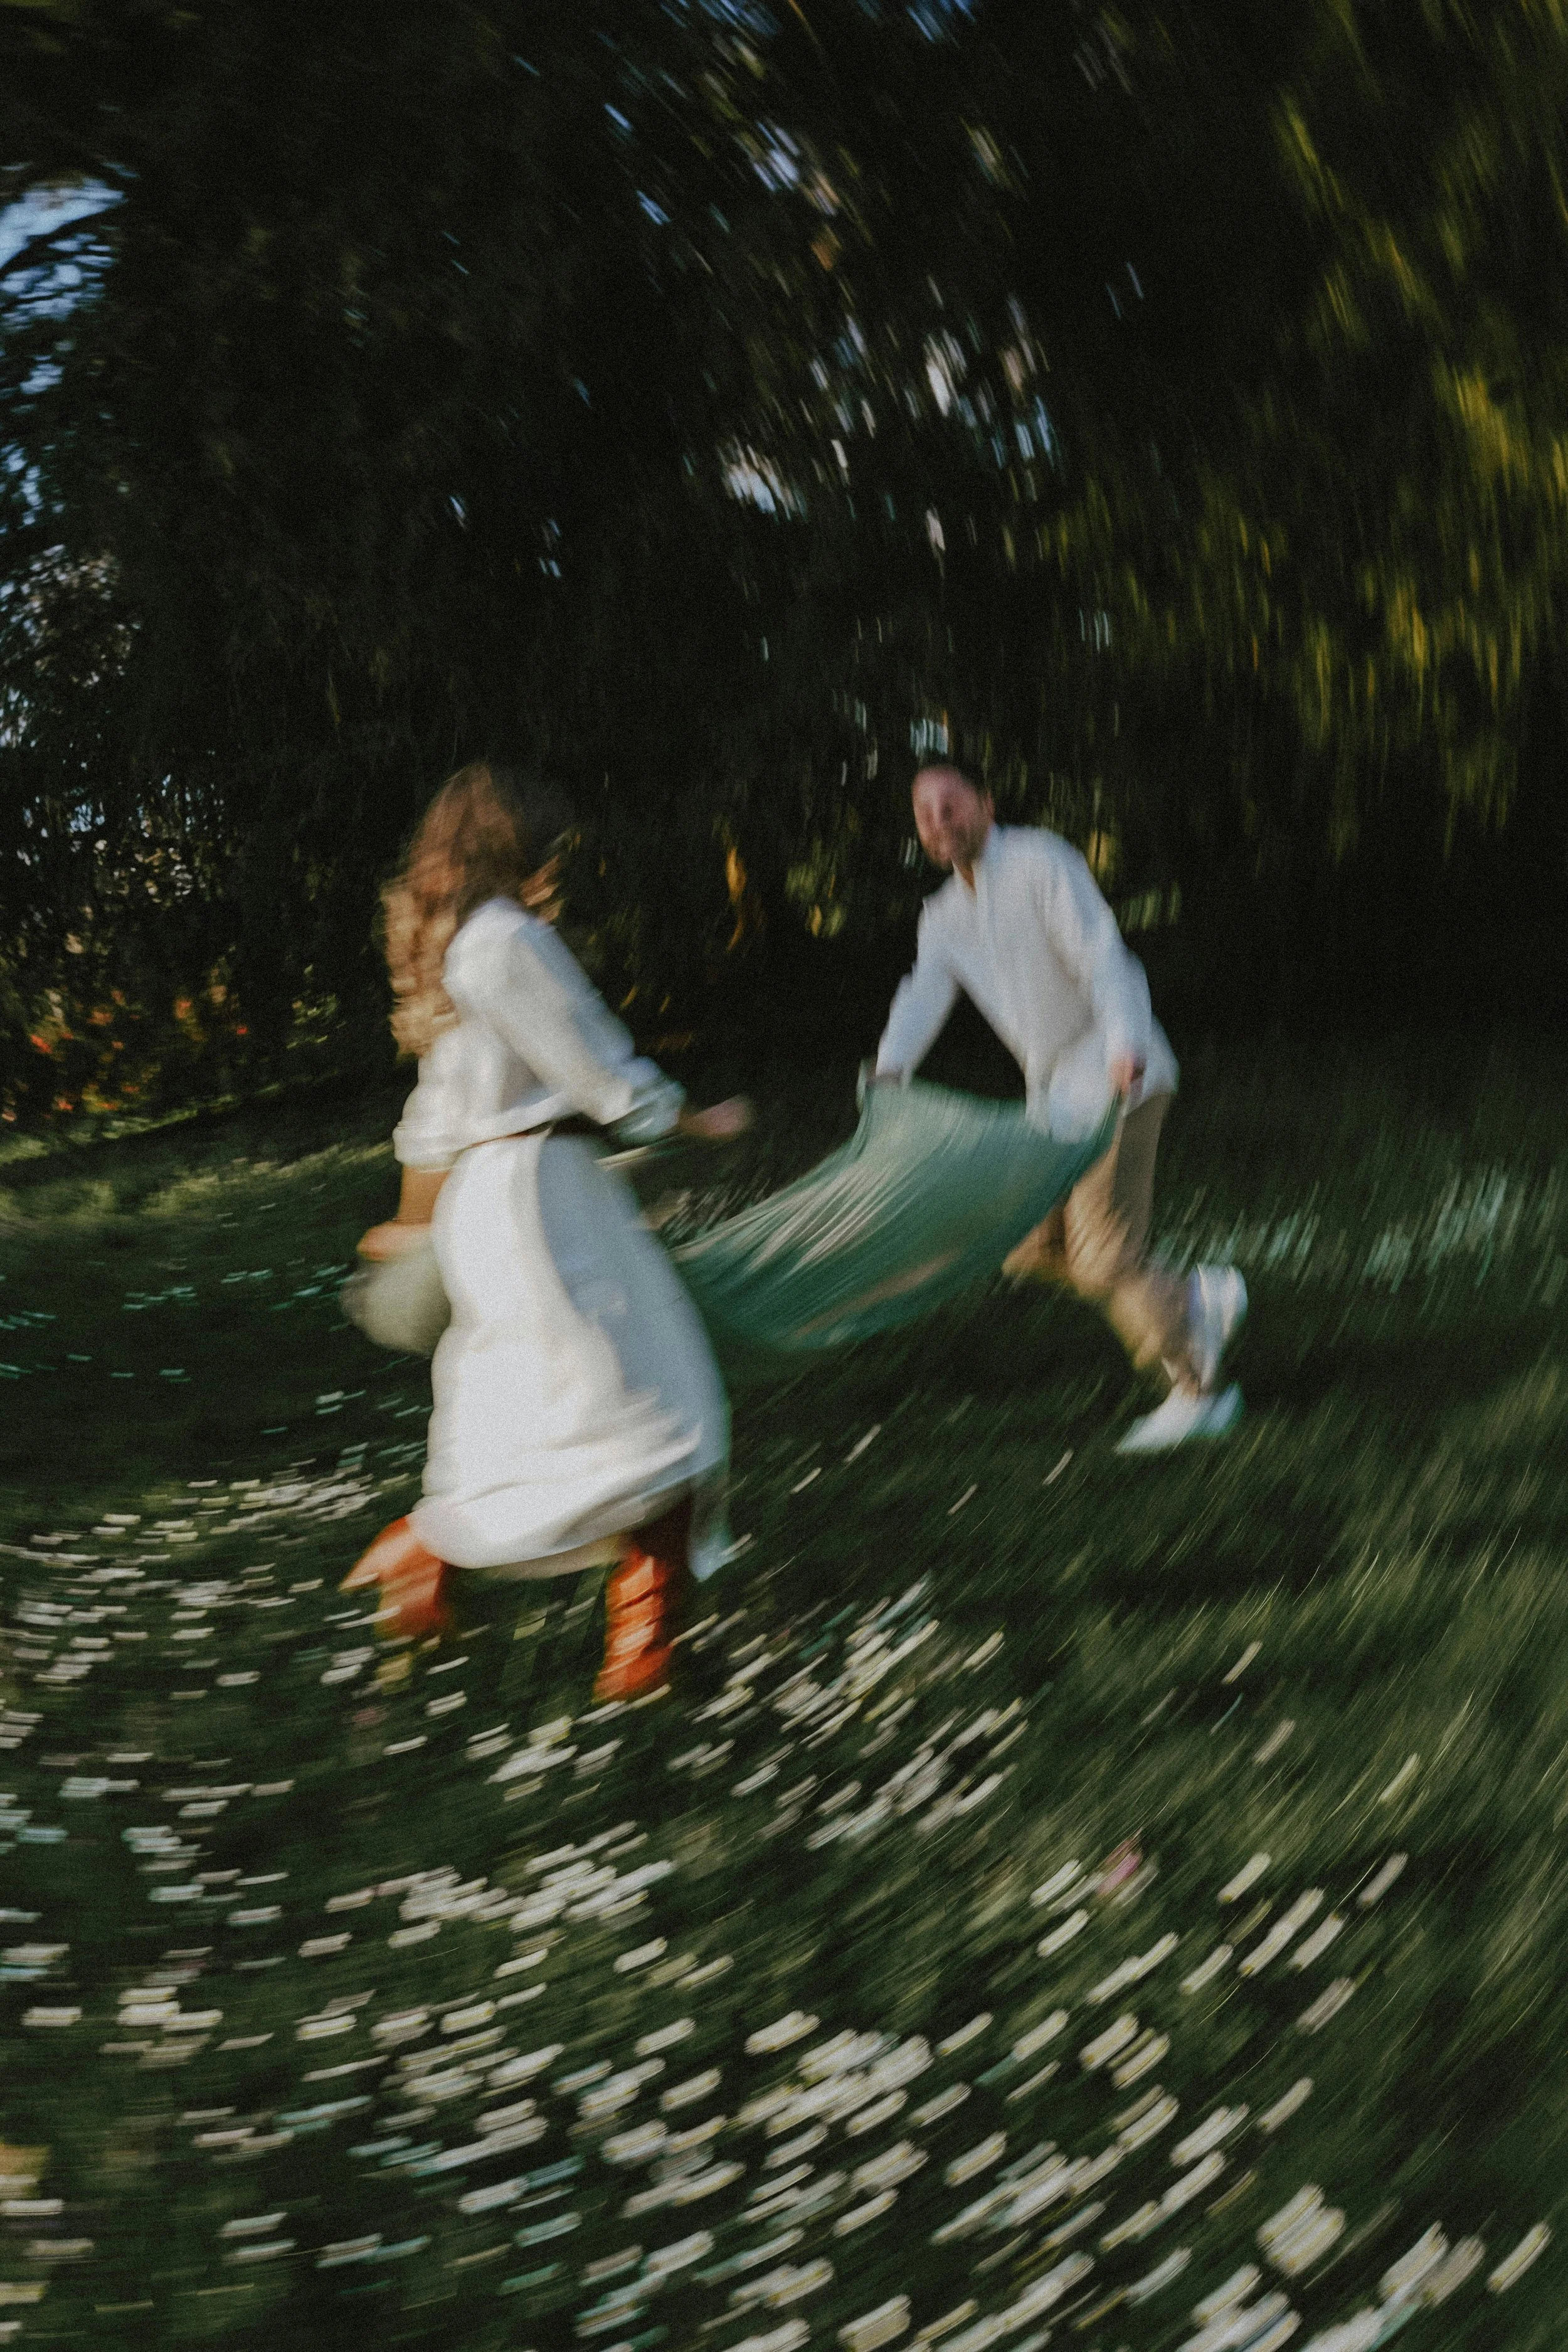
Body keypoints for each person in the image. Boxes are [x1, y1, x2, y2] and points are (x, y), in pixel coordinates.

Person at [342, 761, 749, 1702]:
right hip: (545, 1198)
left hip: (485, 1206)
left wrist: (412, 1221)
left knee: (527, 1420)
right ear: (516, 843)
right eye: (551, 840)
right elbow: (597, 1061)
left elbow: (435, 1119)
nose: (561, 858)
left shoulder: (449, 952)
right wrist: (688, 1117)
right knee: (667, 1408)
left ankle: (424, 1558)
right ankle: (641, 1650)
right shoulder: (508, 940)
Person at [873, 763, 1245, 1451]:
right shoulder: (943, 915)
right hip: (1051, 1103)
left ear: (986, 803)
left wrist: (1125, 1043)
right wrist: (889, 1071)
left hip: (1117, 1077)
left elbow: (1103, 956)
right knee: (1021, 1243)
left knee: (1105, 1260)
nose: (938, 821)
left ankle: (1200, 1394)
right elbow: (921, 992)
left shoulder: (1041, 861)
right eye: (924, 813)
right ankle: (1192, 1302)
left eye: (950, 804)